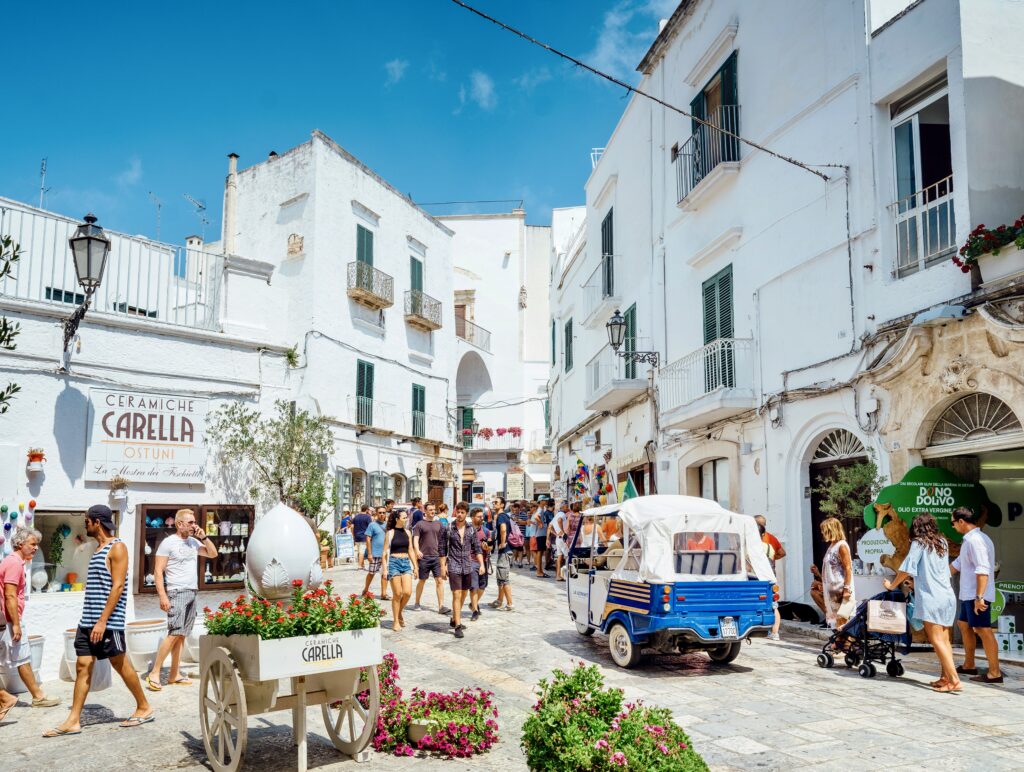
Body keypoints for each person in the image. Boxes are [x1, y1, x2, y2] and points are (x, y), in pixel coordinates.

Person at [46, 505, 154, 736]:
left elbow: (117, 586)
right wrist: (93, 620)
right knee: (83, 665)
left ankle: (144, 707)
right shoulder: (98, 549)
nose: (85, 525)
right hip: (88, 620)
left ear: (97, 522)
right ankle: (73, 720)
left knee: (120, 664)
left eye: (86, 521)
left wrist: (103, 621)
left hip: (108, 621)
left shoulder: (118, 547)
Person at [883, 513, 959, 692]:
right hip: (947, 596)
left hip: (931, 597)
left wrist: (892, 585)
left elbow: (907, 568)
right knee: (944, 639)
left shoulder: (919, 543)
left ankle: (955, 680)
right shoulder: (942, 542)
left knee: (936, 640)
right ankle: (945, 677)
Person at [146, 508, 218, 691]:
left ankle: (174, 674)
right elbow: (158, 572)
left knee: (181, 636)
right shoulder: (168, 543)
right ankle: (154, 672)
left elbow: (213, 554)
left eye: (194, 522)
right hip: (176, 592)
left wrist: (204, 537)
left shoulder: (194, 542)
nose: (194, 525)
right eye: (191, 522)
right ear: (179, 524)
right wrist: (162, 595)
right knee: (174, 633)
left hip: (192, 591)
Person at [0, 528, 61, 723]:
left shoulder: (15, 562)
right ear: (20, 544)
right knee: (21, 655)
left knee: (22, 656)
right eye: (32, 544)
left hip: (9, 619)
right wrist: (15, 624)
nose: (36, 548)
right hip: (9, 619)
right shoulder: (14, 564)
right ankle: (6, 698)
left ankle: (37, 695)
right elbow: (9, 594)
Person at [950, 506, 1002, 684]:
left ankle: (995, 673)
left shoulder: (976, 541)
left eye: (953, 523)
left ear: (961, 521)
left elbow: (983, 569)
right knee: (963, 624)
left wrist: (979, 597)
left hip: (976, 595)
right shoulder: (969, 540)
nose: (953, 527)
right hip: (968, 594)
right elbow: (958, 564)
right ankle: (969, 664)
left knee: (983, 630)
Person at [440, 502, 485, 639]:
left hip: (467, 565)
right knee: (457, 594)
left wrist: (481, 564)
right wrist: (443, 567)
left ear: (466, 514)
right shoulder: (448, 528)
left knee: (464, 593)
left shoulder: (471, 529)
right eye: (457, 512)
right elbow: (442, 549)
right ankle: (458, 626)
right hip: (453, 564)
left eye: (462, 512)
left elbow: (477, 548)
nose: (459, 514)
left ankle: (454, 618)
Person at [382, 508, 418, 632]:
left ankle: (399, 612)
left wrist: (415, 567)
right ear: (397, 519)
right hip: (394, 563)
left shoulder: (408, 532)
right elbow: (384, 553)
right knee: (397, 594)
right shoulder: (390, 533)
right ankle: (396, 621)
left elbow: (411, 550)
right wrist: (385, 569)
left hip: (406, 563)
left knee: (407, 592)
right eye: (404, 517)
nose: (406, 519)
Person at [412, 503, 450, 615]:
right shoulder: (420, 524)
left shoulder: (439, 524)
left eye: (434, 510)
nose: (433, 511)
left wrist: (444, 558)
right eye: (430, 510)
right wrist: (417, 550)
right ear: (425, 511)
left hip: (437, 557)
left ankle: (441, 606)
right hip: (424, 557)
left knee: (439, 581)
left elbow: (443, 542)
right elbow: (415, 539)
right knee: (422, 580)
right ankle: (417, 602)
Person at [820, 517, 855, 629]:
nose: (822, 532)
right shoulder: (832, 546)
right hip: (832, 590)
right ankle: (839, 642)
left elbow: (848, 568)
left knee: (843, 618)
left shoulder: (842, 546)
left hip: (840, 588)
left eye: (824, 530)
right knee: (836, 620)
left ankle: (844, 644)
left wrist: (847, 588)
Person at [756, 522, 782, 642]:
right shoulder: (768, 547)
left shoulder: (749, 547)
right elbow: (772, 559)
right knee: (773, 606)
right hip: (770, 578)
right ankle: (775, 633)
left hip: (757, 579)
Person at [491, 501, 515, 611]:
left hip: (505, 550)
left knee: (504, 578)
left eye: (496, 502)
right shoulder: (505, 516)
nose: (494, 504)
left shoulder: (501, 516)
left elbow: (503, 529)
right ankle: (499, 600)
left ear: (502, 505)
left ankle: (510, 604)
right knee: (500, 577)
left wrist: (502, 543)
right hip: (507, 550)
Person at [361, 507, 389, 601]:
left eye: (383, 513)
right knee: (371, 573)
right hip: (375, 553)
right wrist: (369, 553)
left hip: (385, 554)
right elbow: (368, 539)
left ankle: (383, 594)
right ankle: (365, 589)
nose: (382, 514)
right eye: (380, 512)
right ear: (376, 513)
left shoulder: (388, 525)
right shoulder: (372, 525)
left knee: (385, 573)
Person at [469, 508, 491, 620]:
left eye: (482, 516)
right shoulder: (468, 530)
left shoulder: (486, 531)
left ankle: (473, 603)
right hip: (471, 561)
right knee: (473, 587)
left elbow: (491, 546)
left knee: (482, 586)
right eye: (479, 516)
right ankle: (475, 610)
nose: (481, 518)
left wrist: (487, 547)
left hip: (484, 561)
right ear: (473, 518)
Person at [552, 501, 569, 582]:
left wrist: (556, 533)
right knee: (567, 556)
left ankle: (558, 575)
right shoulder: (562, 515)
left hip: (558, 539)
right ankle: (566, 576)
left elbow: (550, 526)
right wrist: (563, 532)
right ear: (563, 507)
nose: (568, 508)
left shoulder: (556, 515)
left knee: (559, 557)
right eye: (566, 506)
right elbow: (559, 521)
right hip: (562, 538)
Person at [352, 505, 373, 570]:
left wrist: (353, 535)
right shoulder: (368, 517)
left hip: (357, 536)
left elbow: (352, 527)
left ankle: (363, 565)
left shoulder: (356, 517)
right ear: (367, 510)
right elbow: (371, 527)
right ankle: (359, 566)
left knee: (359, 551)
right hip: (364, 536)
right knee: (362, 552)